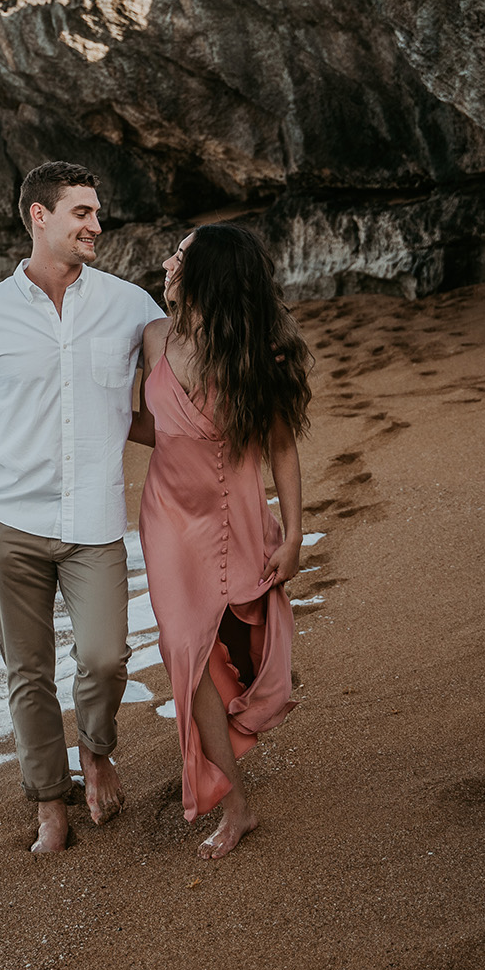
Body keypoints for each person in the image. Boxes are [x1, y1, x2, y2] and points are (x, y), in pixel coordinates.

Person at [0, 161, 164, 854]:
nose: (97, 225)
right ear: (40, 216)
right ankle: (48, 804)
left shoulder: (132, 306)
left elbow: (181, 381)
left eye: (96, 212)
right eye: (82, 213)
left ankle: (96, 750)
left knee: (105, 656)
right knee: (26, 672)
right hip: (8, 520)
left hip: (94, 522)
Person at [129, 223, 311, 860]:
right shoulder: (155, 339)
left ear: (207, 273)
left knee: (242, 638)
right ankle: (234, 806)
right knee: (187, 652)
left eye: (180, 254)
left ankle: (231, 740)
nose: (167, 260)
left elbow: (282, 447)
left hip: (234, 517)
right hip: (168, 521)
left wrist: (292, 532)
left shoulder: (255, 354)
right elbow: (151, 429)